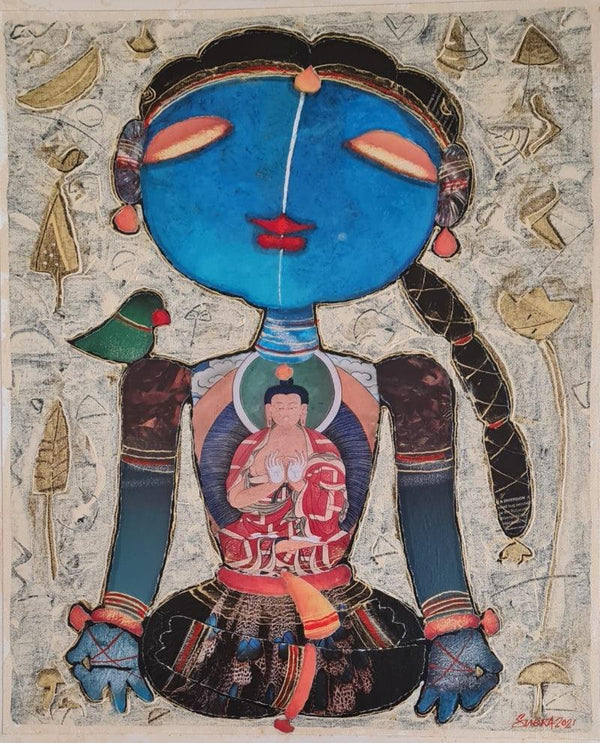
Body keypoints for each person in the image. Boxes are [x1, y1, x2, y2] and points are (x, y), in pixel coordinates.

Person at [220, 366, 350, 574]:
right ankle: (283, 548)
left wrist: (298, 483)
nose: (285, 412)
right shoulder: (250, 446)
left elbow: (334, 506)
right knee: (232, 550)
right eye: (279, 407)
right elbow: (235, 500)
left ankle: (279, 550)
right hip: (256, 529)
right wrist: (273, 484)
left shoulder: (322, 446)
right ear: (269, 410)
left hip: (307, 531)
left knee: (335, 550)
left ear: (303, 410)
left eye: (292, 407)